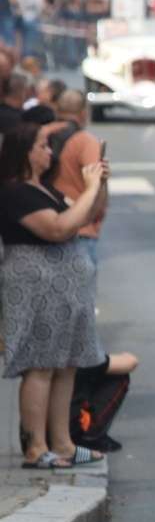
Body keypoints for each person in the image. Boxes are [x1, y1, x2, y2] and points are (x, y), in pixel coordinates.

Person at [0, 122, 108, 469]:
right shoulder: (15, 192)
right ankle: (36, 447)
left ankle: (63, 443)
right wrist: (90, 188)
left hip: (62, 290)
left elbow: (86, 213)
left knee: (65, 364)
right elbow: (59, 229)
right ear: (25, 151)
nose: (50, 152)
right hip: (35, 286)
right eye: (43, 145)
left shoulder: (45, 189)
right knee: (41, 363)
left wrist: (99, 184)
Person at [46, 89, 106, 267]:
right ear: (83, 113)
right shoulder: (85, 141)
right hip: (80, 229)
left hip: (44, 225)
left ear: (56, 110)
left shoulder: (41, 135)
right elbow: (97, 183)